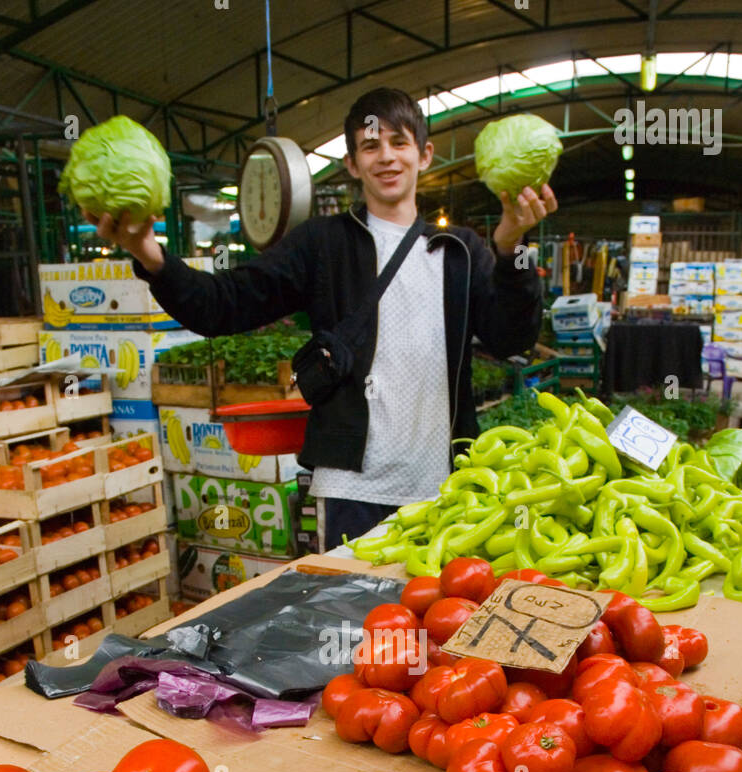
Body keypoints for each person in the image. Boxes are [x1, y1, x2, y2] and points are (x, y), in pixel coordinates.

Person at [91, 87, 556, 551]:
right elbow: (222, 304)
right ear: (352, 164)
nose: (387, 157)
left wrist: (512, 244)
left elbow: (510, 337)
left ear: (425, 154)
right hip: (351, 488)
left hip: (445, 488)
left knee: (434, 623)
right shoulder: (321, 246)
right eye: (370, 146)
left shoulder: (460, 251)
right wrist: (149, 255)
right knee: (354, 620)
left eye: (399, 142)